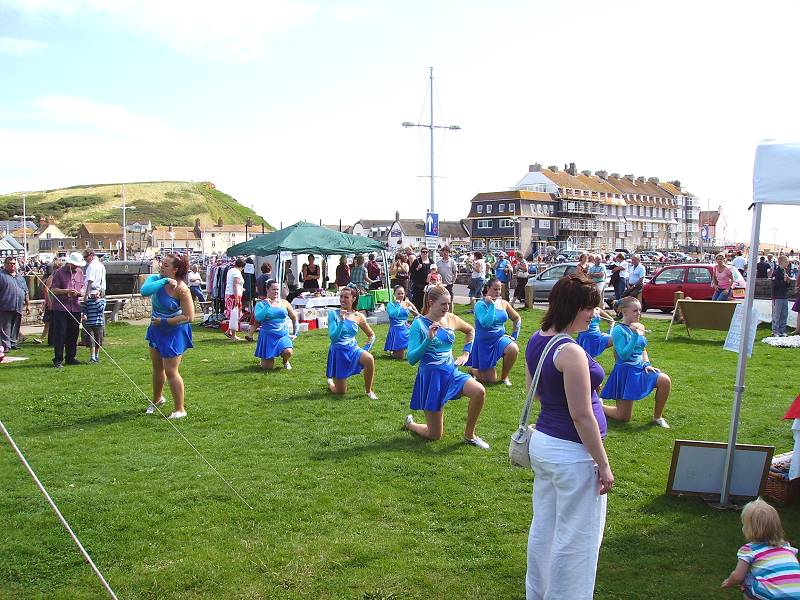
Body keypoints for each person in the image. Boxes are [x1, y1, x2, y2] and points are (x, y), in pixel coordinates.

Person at [524, 274, 613, 600]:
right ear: (571, 307)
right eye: (588, 308)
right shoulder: (570, 352)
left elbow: (533, 392)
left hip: (546, 446)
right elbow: (580, 415)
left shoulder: (536, 339)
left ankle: (538, 593)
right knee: (577, 541)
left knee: (545, 529)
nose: (593, 315)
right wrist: (603, 464)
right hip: (572, 454)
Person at [403, 285, 488, 449]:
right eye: (443, 304)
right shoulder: (418, 324)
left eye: (448, 303)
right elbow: (411, 359)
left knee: (479, 391)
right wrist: (428, 339)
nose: (446, 307)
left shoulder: (450, 318)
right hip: (431, 379)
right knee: (434, 435)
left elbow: (470, 330)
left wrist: (466, 353)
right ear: (431, 302)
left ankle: (470, 435)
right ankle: (410, 424)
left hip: (451, 373)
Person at [601, 296, 671, 427]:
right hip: (625, 373)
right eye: (635, 311)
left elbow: (643, 349)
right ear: (624, 311)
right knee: (623, 417)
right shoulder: (618, 330)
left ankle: (658, 417)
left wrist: (647, 364)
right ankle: (597, 405)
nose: (639, 313)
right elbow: (623, 355)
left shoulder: (640, 326)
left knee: (664, 380)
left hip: (640, 368)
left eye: (640, 310)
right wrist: (634, 335)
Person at [141, 253, 194, 419]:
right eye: (161, 264)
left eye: (165, 265)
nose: (161, 267)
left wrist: (165, 321)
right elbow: (144, 291)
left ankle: (180, 409)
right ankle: (157, 399)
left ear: (175, 269)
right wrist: (163, 280)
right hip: (156, 330)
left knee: (171, 370)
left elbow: (189, 317)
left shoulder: (182, 288)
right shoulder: (156, 279)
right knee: (157, 367)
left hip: (173, 331)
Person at [721, 497, 800, 598]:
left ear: (749, 529)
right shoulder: (787, 547)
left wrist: (729, 582)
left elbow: (737, 577)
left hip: (774, 595)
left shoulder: (749, 550)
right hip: (797, 595)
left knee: (746, 579)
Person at [467, 277, 521, 386]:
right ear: (488, 288)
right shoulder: (480, 305)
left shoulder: (504, 303)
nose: (498, 292)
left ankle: (504, 377)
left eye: (499, 289)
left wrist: (514, 336)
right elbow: (486, 323)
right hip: (484, 343)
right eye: (495, 289)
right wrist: (491, 305)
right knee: (489, 380)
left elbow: (517, 318)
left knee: (513, 348)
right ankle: (472, 370)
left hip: (499, 339)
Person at [326, 287, 377, 398]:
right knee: (341, 392)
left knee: (369, 358)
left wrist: (365, 350)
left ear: (353, 299)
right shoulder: (333, 314)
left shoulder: (358, 316)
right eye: (341, 296)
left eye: (346, 297)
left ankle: (369, 391)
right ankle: (330, 383)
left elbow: (371, 335)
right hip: (338, 353)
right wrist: (342, 320)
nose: (342, 300)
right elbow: (333, 338)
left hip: (353, 350)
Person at [49, 252, 86, 368]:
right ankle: (58, 359)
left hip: (75, 307)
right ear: (69, 263)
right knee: (60, 334)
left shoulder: (80, 272)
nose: (76, 267)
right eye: (74, 265)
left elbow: (82, 286)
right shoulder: (59, 273)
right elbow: (53, 290)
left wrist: (81, 292)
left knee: (73, 334)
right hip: (61, 309)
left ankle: (70, 357)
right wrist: (67, 291)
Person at [254, 280, 299, 370]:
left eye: (278, 289)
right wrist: (267, 305)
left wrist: (295, 333)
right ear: (267, 289)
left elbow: (294, 318)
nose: (276, 291)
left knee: (288, 352)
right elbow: (258, 318)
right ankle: (265, 360)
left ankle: (285, 361)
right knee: (267, 368)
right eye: (273, 289)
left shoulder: (284, 302)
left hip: (282, 335)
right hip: (268, 337)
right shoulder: (261, 304)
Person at [0, 256, 30, 352]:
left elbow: (25, 291)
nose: (12, 265)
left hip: (18, 305)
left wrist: (28, 304)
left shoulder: (19, 276)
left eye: (13, 263)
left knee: (16, 326)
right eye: (10, 263)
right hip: (5, 305)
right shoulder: (1, 275)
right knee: (5, 327)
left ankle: (13, 343)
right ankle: (6, 346)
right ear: (5, 264)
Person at [384, 285, 419, 359]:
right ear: (394, 294)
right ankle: (394, 353)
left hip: (407, 330)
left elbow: (418, 315)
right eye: (398, 293)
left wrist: (412, 324)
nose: (400, 295)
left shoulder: (407, 303)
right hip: (397, 332)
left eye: (402, 293)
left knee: (414, 350)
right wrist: (397, 305)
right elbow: (393, 315)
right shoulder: (390, 304)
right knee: (399, 357)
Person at [35, 257, 64, 345]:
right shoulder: (52, 276)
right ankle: (46, 339)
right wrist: (49, 302)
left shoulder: (58, 276)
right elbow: (46, 290)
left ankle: (47, 339)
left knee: (51, 322)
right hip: (52, 302)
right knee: (49, 322)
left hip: (56, 302)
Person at [81, 282, 106, 363]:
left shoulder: (102, 301)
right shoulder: (88, 301)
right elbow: (84, 310)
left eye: (95, 293)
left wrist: (97, 300)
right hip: (89, 324)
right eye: (92, 294)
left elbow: (101, 309)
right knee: (91, 341)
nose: (93, 295)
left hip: (98, 324)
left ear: (98, 292)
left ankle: (97, 355)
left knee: (98, 340)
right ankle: (92, 357)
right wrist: (84, 315)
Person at [225, 258, 245, 341]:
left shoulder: (230, 270)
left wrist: (241, 289)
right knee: (235, 315)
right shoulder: (237, 272)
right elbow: (235, 285)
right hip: (234, 295)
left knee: (233, 314)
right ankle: (233, 335)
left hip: (230, 294)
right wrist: (237, 297)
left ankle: (229, 331)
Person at [771, 255, 791, 337]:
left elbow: (786, 285)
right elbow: (775, 285)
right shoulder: (776, 272)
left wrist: (788, 281)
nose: (788, 263)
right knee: (777, 315)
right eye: (786, 261)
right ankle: (775, 331)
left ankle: (782, 331)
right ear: (781, 262)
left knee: (784, 314)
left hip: (784, 296)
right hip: (777, 296)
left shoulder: (785, 271)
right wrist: (784, 280)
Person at [410, 248, 431, 313]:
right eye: (423, 252)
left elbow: (434, 270)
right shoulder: (417, 261)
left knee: (426, 301)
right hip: (418, 285)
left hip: (427, 285)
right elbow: (411, 271)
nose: (424, 253)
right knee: (418, 301)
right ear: (421, 253)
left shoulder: (431, 261)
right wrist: (417, 268)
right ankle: (417, 313)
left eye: (426, 252)